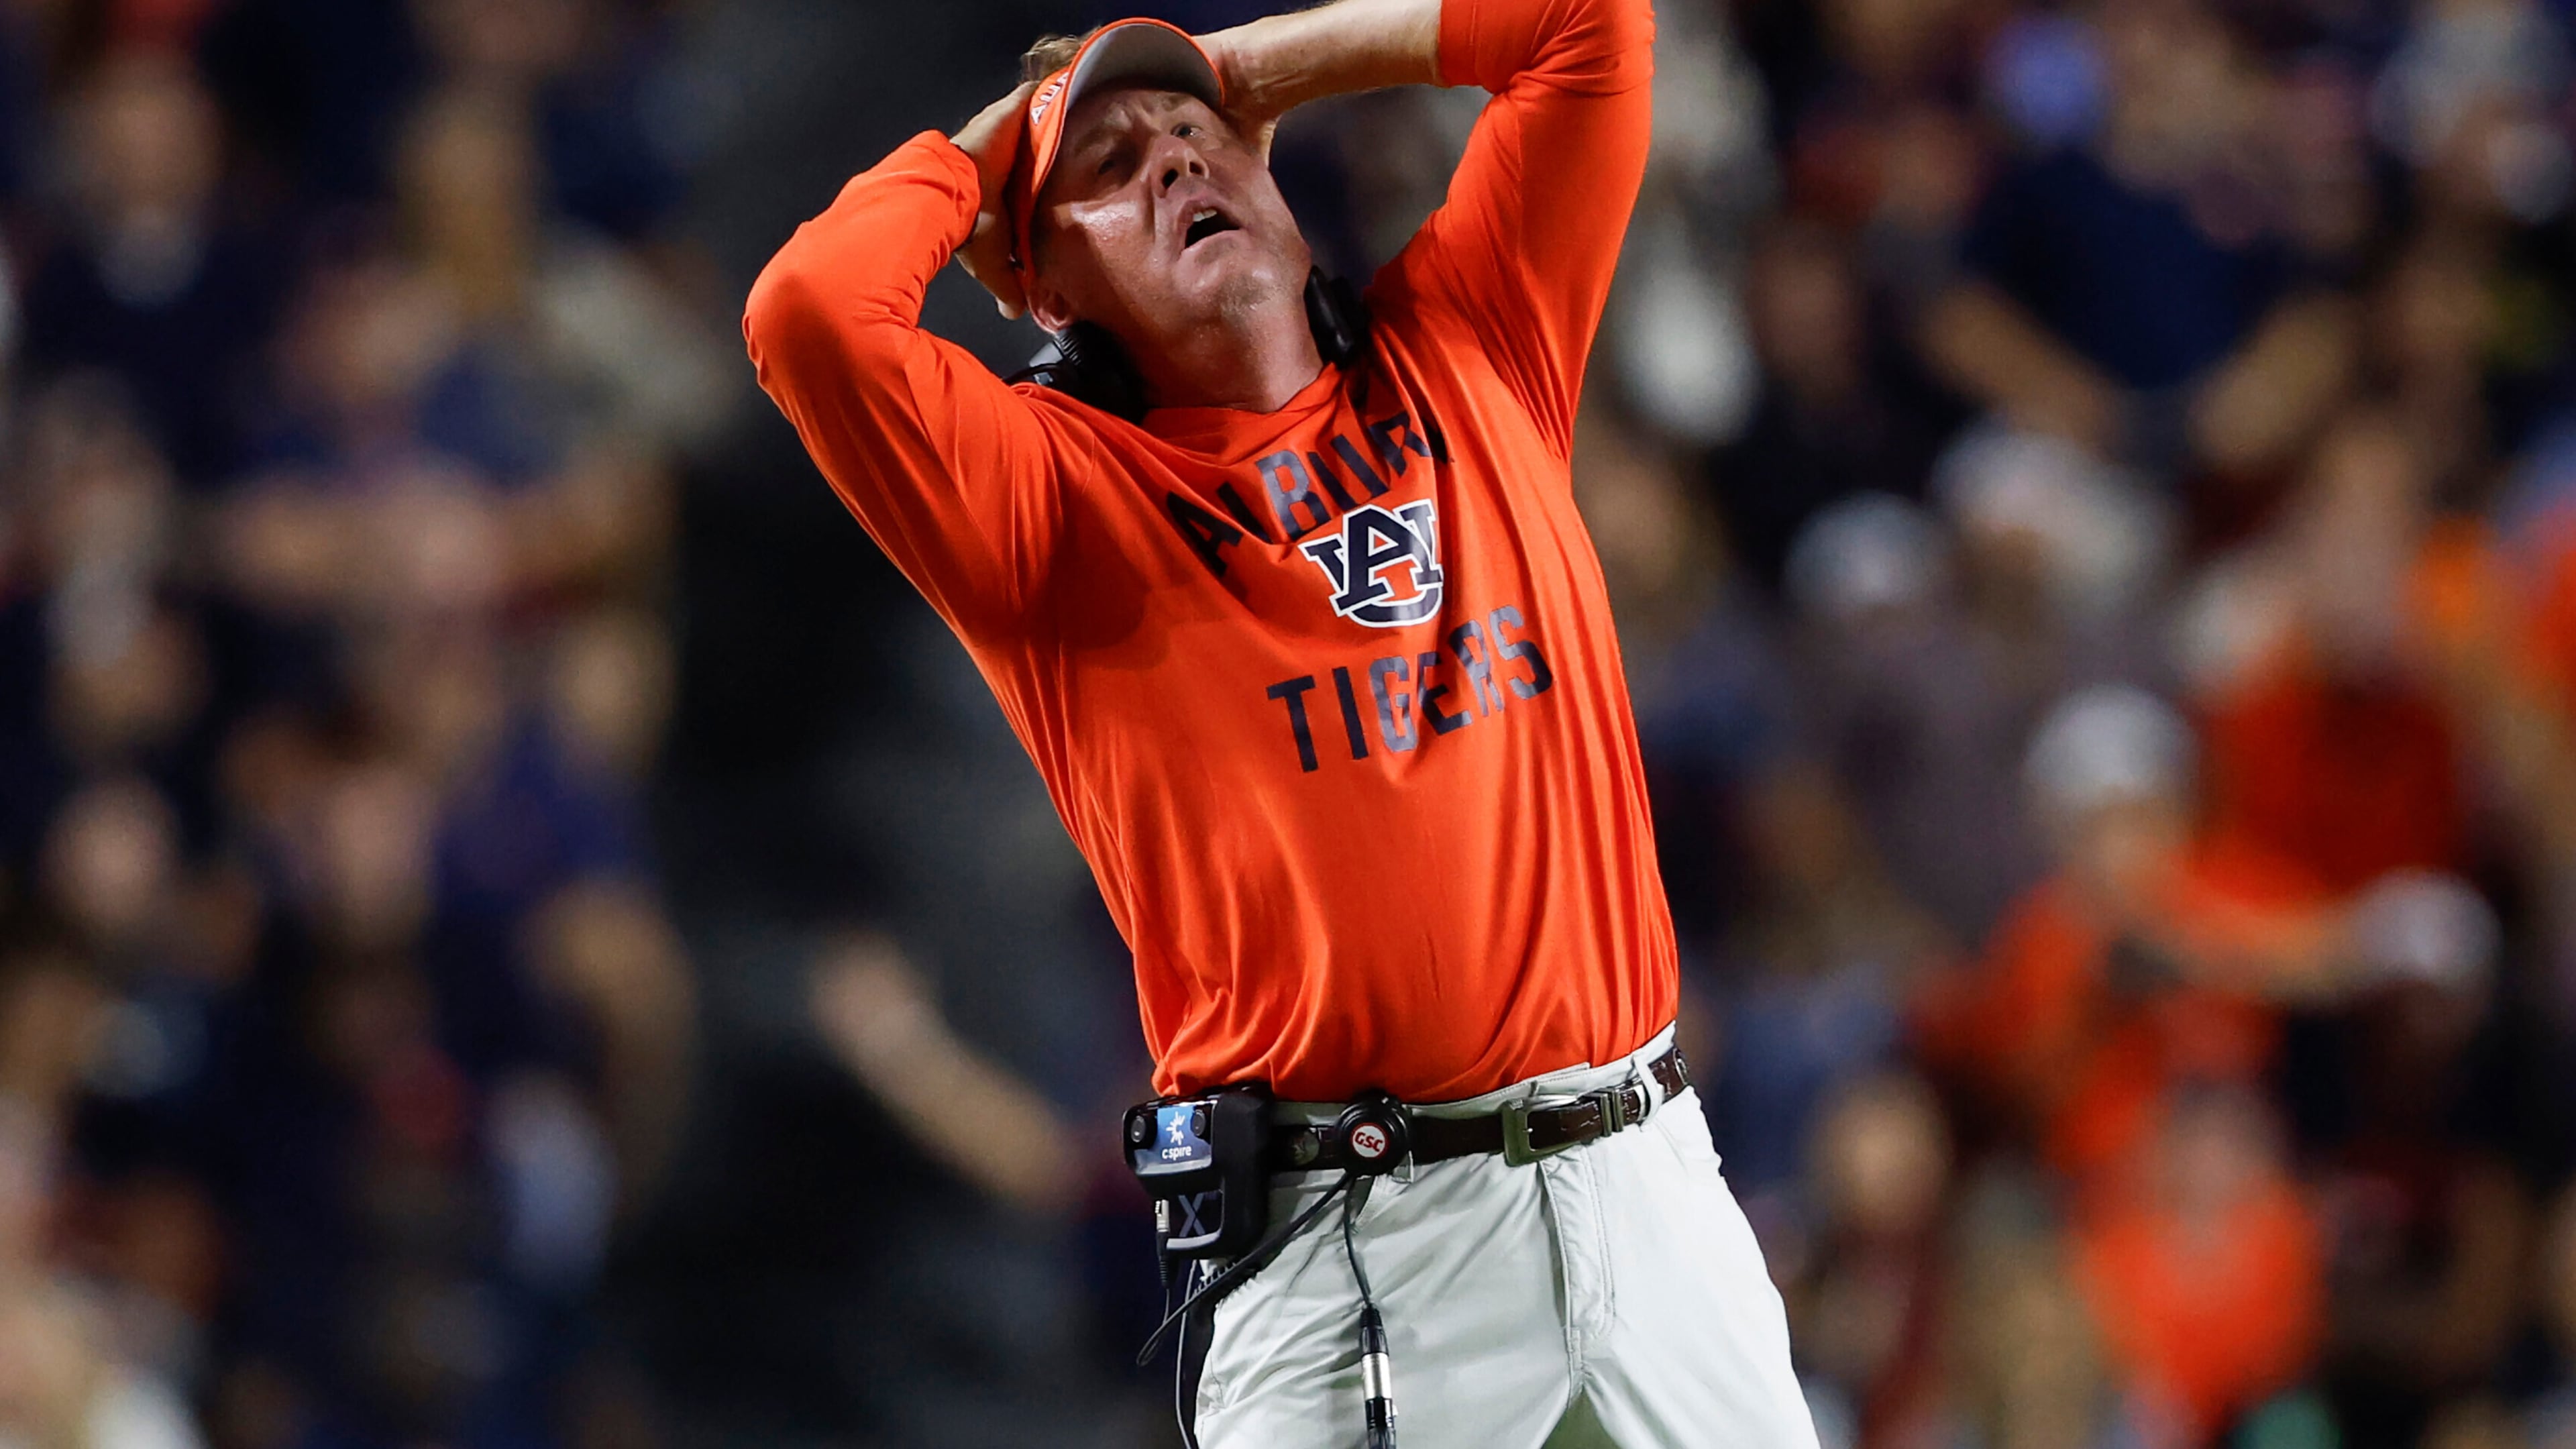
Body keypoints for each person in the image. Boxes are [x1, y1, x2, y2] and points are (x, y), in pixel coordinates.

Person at [739, 0, 1819, 1445]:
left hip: (1652, 1187)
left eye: (1200, 139)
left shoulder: (1474, 341)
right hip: (1363, 1250)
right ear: (1039, 276)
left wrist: (1263, 69)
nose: (1180, 164)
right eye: (1115, 170)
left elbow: (1591, 29)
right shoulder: (1053, 506)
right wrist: (995, 154)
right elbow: (809, 311)